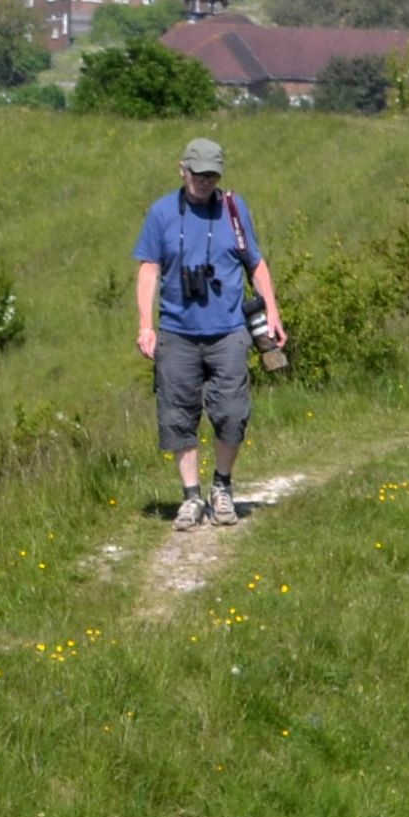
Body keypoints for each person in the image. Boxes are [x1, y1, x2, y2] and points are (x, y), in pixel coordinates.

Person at [133, 134, 284, 528]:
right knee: (177, 417)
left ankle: (222, 487)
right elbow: (148, 269)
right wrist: (146, 325)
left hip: (228, 331)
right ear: (182, 170)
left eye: (212, 176)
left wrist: (272, 310)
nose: (204, 182)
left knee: (232, 414)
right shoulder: (161, 213)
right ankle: (191, 497)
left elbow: (256, 263)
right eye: (198, 175)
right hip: (177, 332)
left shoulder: (234, 209)